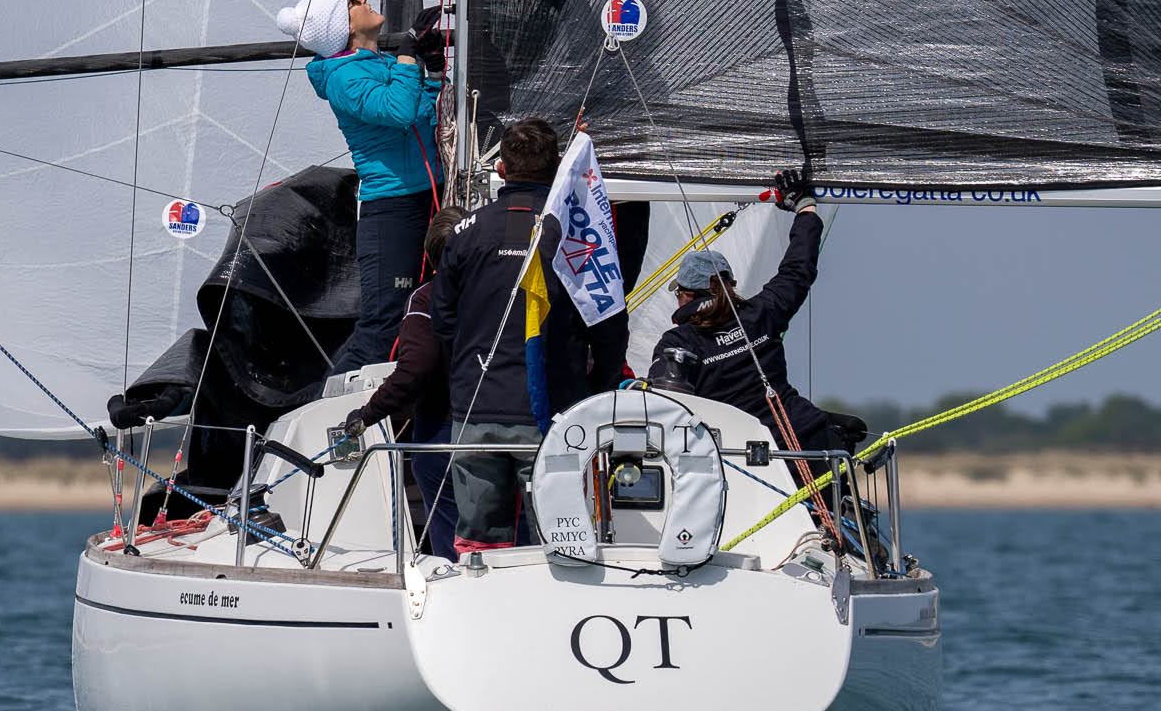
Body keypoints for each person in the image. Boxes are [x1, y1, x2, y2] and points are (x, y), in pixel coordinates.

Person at [431, 118, 630, 552]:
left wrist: (466, 376)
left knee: (478, 547)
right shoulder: (576, 233)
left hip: (477, 408)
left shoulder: (465, 233)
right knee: (563, 542)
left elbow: (442, 321)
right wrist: (597, 389)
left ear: (501, 168)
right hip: (554, 412)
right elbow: (609, 318)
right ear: (557, 165)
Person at [275, 0, 445, 376]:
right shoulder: (343, 77)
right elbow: (399, 111)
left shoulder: (375, 62)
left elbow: (421, 114)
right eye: (352, 1)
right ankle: (326, 415)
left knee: (426, 310)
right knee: (384, 324)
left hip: (423, 198)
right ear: (345, 27)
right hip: (392, 210)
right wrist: (407, 52)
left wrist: (431, 71)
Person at [646, 170, 867, 453]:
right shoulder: (762, 312)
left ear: (686, 295)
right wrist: (805, 207)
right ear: (731, 285)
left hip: (749, 460)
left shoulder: (678, 343)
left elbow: (661, 407)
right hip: (808, 438)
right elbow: (798, 269)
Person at [339, 203, 468, 559]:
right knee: (508, 535)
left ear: (430, 252)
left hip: (442, 433)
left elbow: (416, 369)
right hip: (503, 430)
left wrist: (366, 415)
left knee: (449, 534)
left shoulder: (426, 298)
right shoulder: (501, 295)